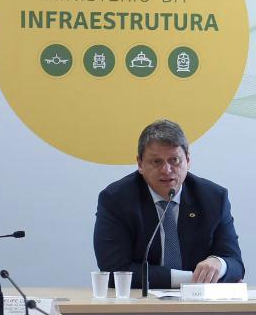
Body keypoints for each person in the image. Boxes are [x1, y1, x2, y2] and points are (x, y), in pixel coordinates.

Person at [93, 119, 244, 288]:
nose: (166, 170)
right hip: (142, 301)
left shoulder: (213, 198)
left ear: (188, 160)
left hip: (199, 301)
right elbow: (114, 270)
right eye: (156, 162)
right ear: (140, 164)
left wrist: (219, 264)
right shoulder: (116, 199)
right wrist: (190, 279)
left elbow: (235, 264)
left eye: (174, 160)